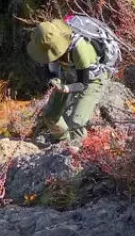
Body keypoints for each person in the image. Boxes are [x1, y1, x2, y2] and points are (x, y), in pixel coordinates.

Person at [26, 15, 120, 145]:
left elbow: (83, 82)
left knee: (76, 122)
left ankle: (75, 153)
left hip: (92, 79)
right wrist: (53, 80)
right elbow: (46, 71)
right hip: (68, 74)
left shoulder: (80, 48)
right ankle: (63, 142)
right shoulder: (44, 47)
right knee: (50, 116)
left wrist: (66, 88)